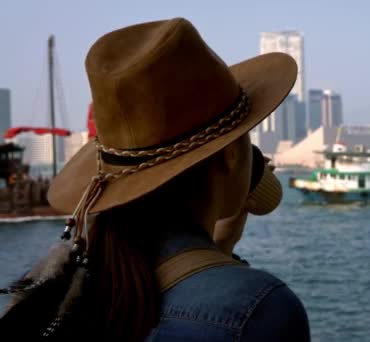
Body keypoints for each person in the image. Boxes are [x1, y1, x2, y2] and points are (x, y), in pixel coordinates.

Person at [0, 18, 310, 341]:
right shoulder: (260, 310)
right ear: (230, 154)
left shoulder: (51, 296)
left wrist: (218, 250)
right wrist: (216, 258)